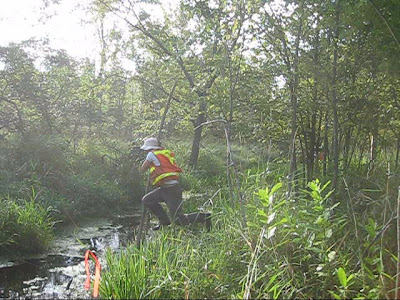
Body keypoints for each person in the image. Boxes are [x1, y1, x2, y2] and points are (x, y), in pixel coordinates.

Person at [139, 137, 211, 231]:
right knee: (147, 200)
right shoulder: (165, 153)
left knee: (179, 220)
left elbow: (142, 169)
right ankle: (164, 221)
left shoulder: (151, 154)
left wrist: (148, 167)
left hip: (171, 190)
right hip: (166, 188)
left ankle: (205, 217)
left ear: (149, 148)